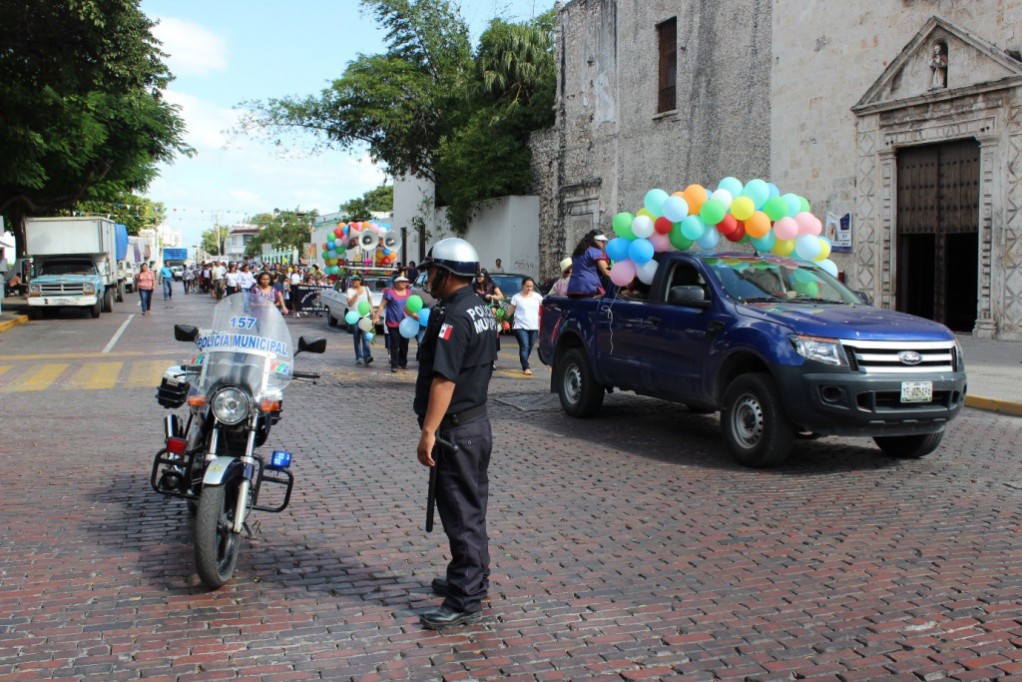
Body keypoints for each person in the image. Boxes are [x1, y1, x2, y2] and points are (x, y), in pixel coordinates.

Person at [414, 237, 497, 630]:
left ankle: (464, 598)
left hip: (456, 430)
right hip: (475, 424)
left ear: (447, 274)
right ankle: (472, 577)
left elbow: (444, 380)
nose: (428, 277)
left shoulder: (455, 316)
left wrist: (429, 430)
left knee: (461, 514)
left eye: (432, 271)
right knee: (472, 508)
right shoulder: (479, 307)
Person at [373, 274, 414, 372]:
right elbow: (382, 305)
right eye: (402, 282)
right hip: (393, 322)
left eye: (405, 282)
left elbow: (412, 306)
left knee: (405, 344)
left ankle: (403, 362)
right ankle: (394, 365)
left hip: (406, 323)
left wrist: (414, 315)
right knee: (395, 344)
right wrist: (376, 317)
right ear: (396, 283)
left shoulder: (409, 293)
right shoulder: (389, 293)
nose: (404, 283)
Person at [506, 277, 543, 375]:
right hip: (519, 326)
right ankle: (525, 367)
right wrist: (502, 319)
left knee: (530, 347)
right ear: (523, 285)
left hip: (534, 326)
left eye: (531, 286)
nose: (529, 288)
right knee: (525, 346)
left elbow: (543, 310)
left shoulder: (538, 297)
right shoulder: (516, 297)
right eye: (527, 286)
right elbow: (510, 311)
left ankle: (524, 360)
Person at [567, 231, 611, 298]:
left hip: (573, 288)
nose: (603, 244)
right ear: (596, 241)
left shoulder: (577, 253)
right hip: (588, 287)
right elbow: (606, 272)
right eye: (602, 241)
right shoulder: (595, 251)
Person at [346, 274, 374, 366]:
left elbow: (370, 301)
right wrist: (356, 295)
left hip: (365, 316)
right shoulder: (350, 290)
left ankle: (367, 356)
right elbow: (349, 303)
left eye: (356, 280)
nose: (354, 282)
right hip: (354, 317)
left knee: (366, 337)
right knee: (356, 337)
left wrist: (373, 312)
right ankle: (359, 357)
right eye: (352, 280)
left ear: (360, 280)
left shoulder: (366, 289)